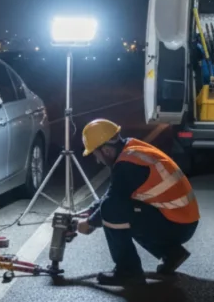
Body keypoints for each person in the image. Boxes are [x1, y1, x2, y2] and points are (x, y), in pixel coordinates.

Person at [73, 118, 200, 286]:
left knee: (112, 211)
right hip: (180, 218)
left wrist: (88, 224)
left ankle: (128, 271)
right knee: (123, 210)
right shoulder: (130, 149)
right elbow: (115, 191)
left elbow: (112, 203)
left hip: (177, 225)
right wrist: (89, 211)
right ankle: (172, 253)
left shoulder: (127, 165)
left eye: (96, 154)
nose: (98, 160)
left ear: (106, 150)